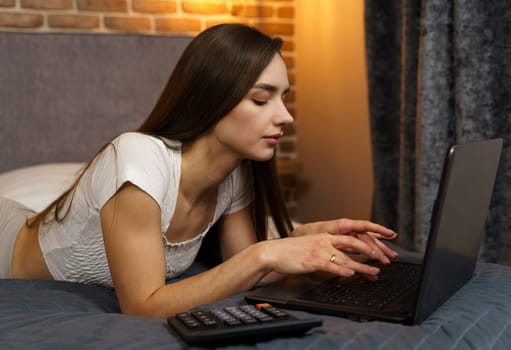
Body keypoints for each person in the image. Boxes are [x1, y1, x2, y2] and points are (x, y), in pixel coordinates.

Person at [0, 23, 398, 318]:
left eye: (283, 98)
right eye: (261, 100)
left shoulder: (233, 176)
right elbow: (143, 307)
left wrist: (299, 240)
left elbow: (244, 267)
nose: (285, 117)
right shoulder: (137, 159)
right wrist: (265, 253)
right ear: (211, 99)